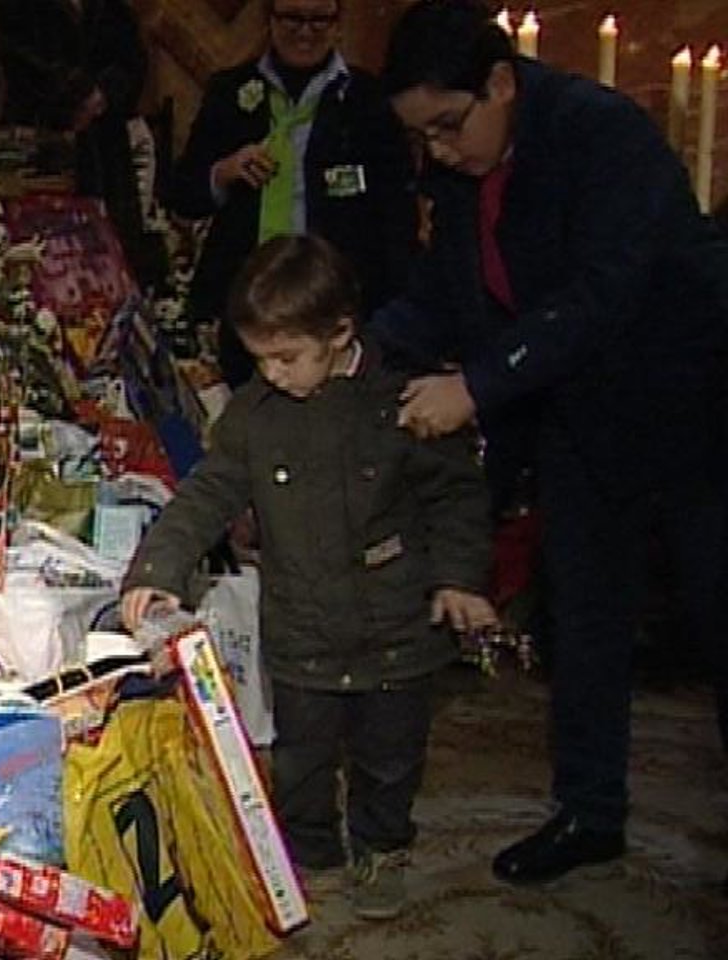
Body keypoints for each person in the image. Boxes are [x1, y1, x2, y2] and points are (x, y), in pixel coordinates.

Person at [375, 0, 728, 887]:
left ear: (500, 83)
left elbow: (601, 297)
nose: (438, 152)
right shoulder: (462, 172)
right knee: (585, 618)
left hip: (694, 406)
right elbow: (445, 298)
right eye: (421, 137)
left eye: (447, 126)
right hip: (579, 417)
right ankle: (589, 812)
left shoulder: (601, 133)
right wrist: (348, 350)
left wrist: (477, 386)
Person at [120, 233, 496, 920]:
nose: (273, 374)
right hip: (301, 629)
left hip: (395, 627)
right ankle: (310, 848)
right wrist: (158, 567)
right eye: (259, 358)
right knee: (300, 759)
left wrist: (459, 579)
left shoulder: (403, 399)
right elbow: (207, 493)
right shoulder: (254, 416)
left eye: (287, 358)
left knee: (390, 757)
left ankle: (383, 846)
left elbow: (456, 497)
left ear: (341, 333)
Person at [167, 0, 418, 388]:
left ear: (337, 24)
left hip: (337, 300)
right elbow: (183, 194)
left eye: (319, 19)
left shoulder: (367, 98)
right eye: (292, 18)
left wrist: (393, 309)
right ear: (269, 20)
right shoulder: (229, 91)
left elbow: (397, 213)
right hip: (248, 301)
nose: (305, 31)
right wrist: (223, 172)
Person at [0, 0, 149, 279]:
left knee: (111, 253)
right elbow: (18, 57)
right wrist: (76, 96)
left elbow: (133, 64)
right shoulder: (20, 8)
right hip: (38, 142)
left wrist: (104, 94)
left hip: (105, 146)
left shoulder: (112, 9)